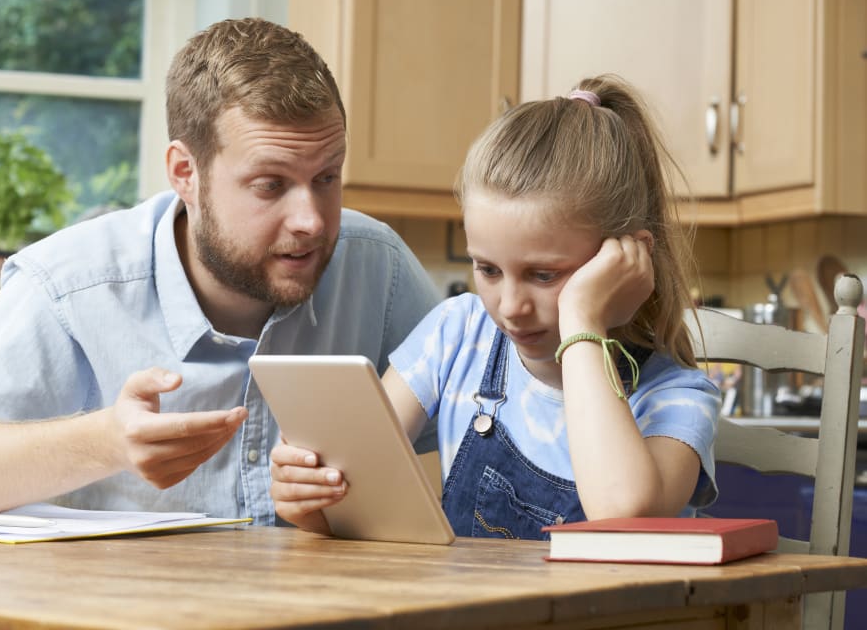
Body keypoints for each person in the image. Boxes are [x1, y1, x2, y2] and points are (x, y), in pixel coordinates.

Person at [0, 17, 441, 525]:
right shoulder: (71, 284)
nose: (312, 221)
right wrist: (106, 442)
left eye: (327, 177)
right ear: (184, 173)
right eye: (270, 185)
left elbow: (476, 451)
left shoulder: (380, 268)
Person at [270, 75, 721, 539]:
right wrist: (309, 500)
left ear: (625, 260)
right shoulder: (456, 333)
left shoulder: (677, 397)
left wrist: (582, 321)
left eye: (544, 275)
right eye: (487, 269)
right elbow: (353, 492)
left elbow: (620, 512)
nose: (510, 307)